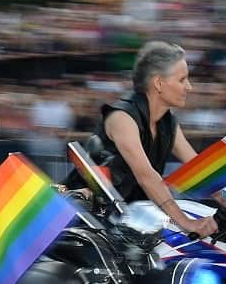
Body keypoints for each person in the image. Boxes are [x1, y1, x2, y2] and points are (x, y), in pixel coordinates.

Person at [84, 41, 218, 239]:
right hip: (91, 221)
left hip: (130, 222)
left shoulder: (167, 121)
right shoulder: (123, 118)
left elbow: (197, 167)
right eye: (182, 80)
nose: (189, 87)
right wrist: (185, 222)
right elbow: (146, 176)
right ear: (159, 83)